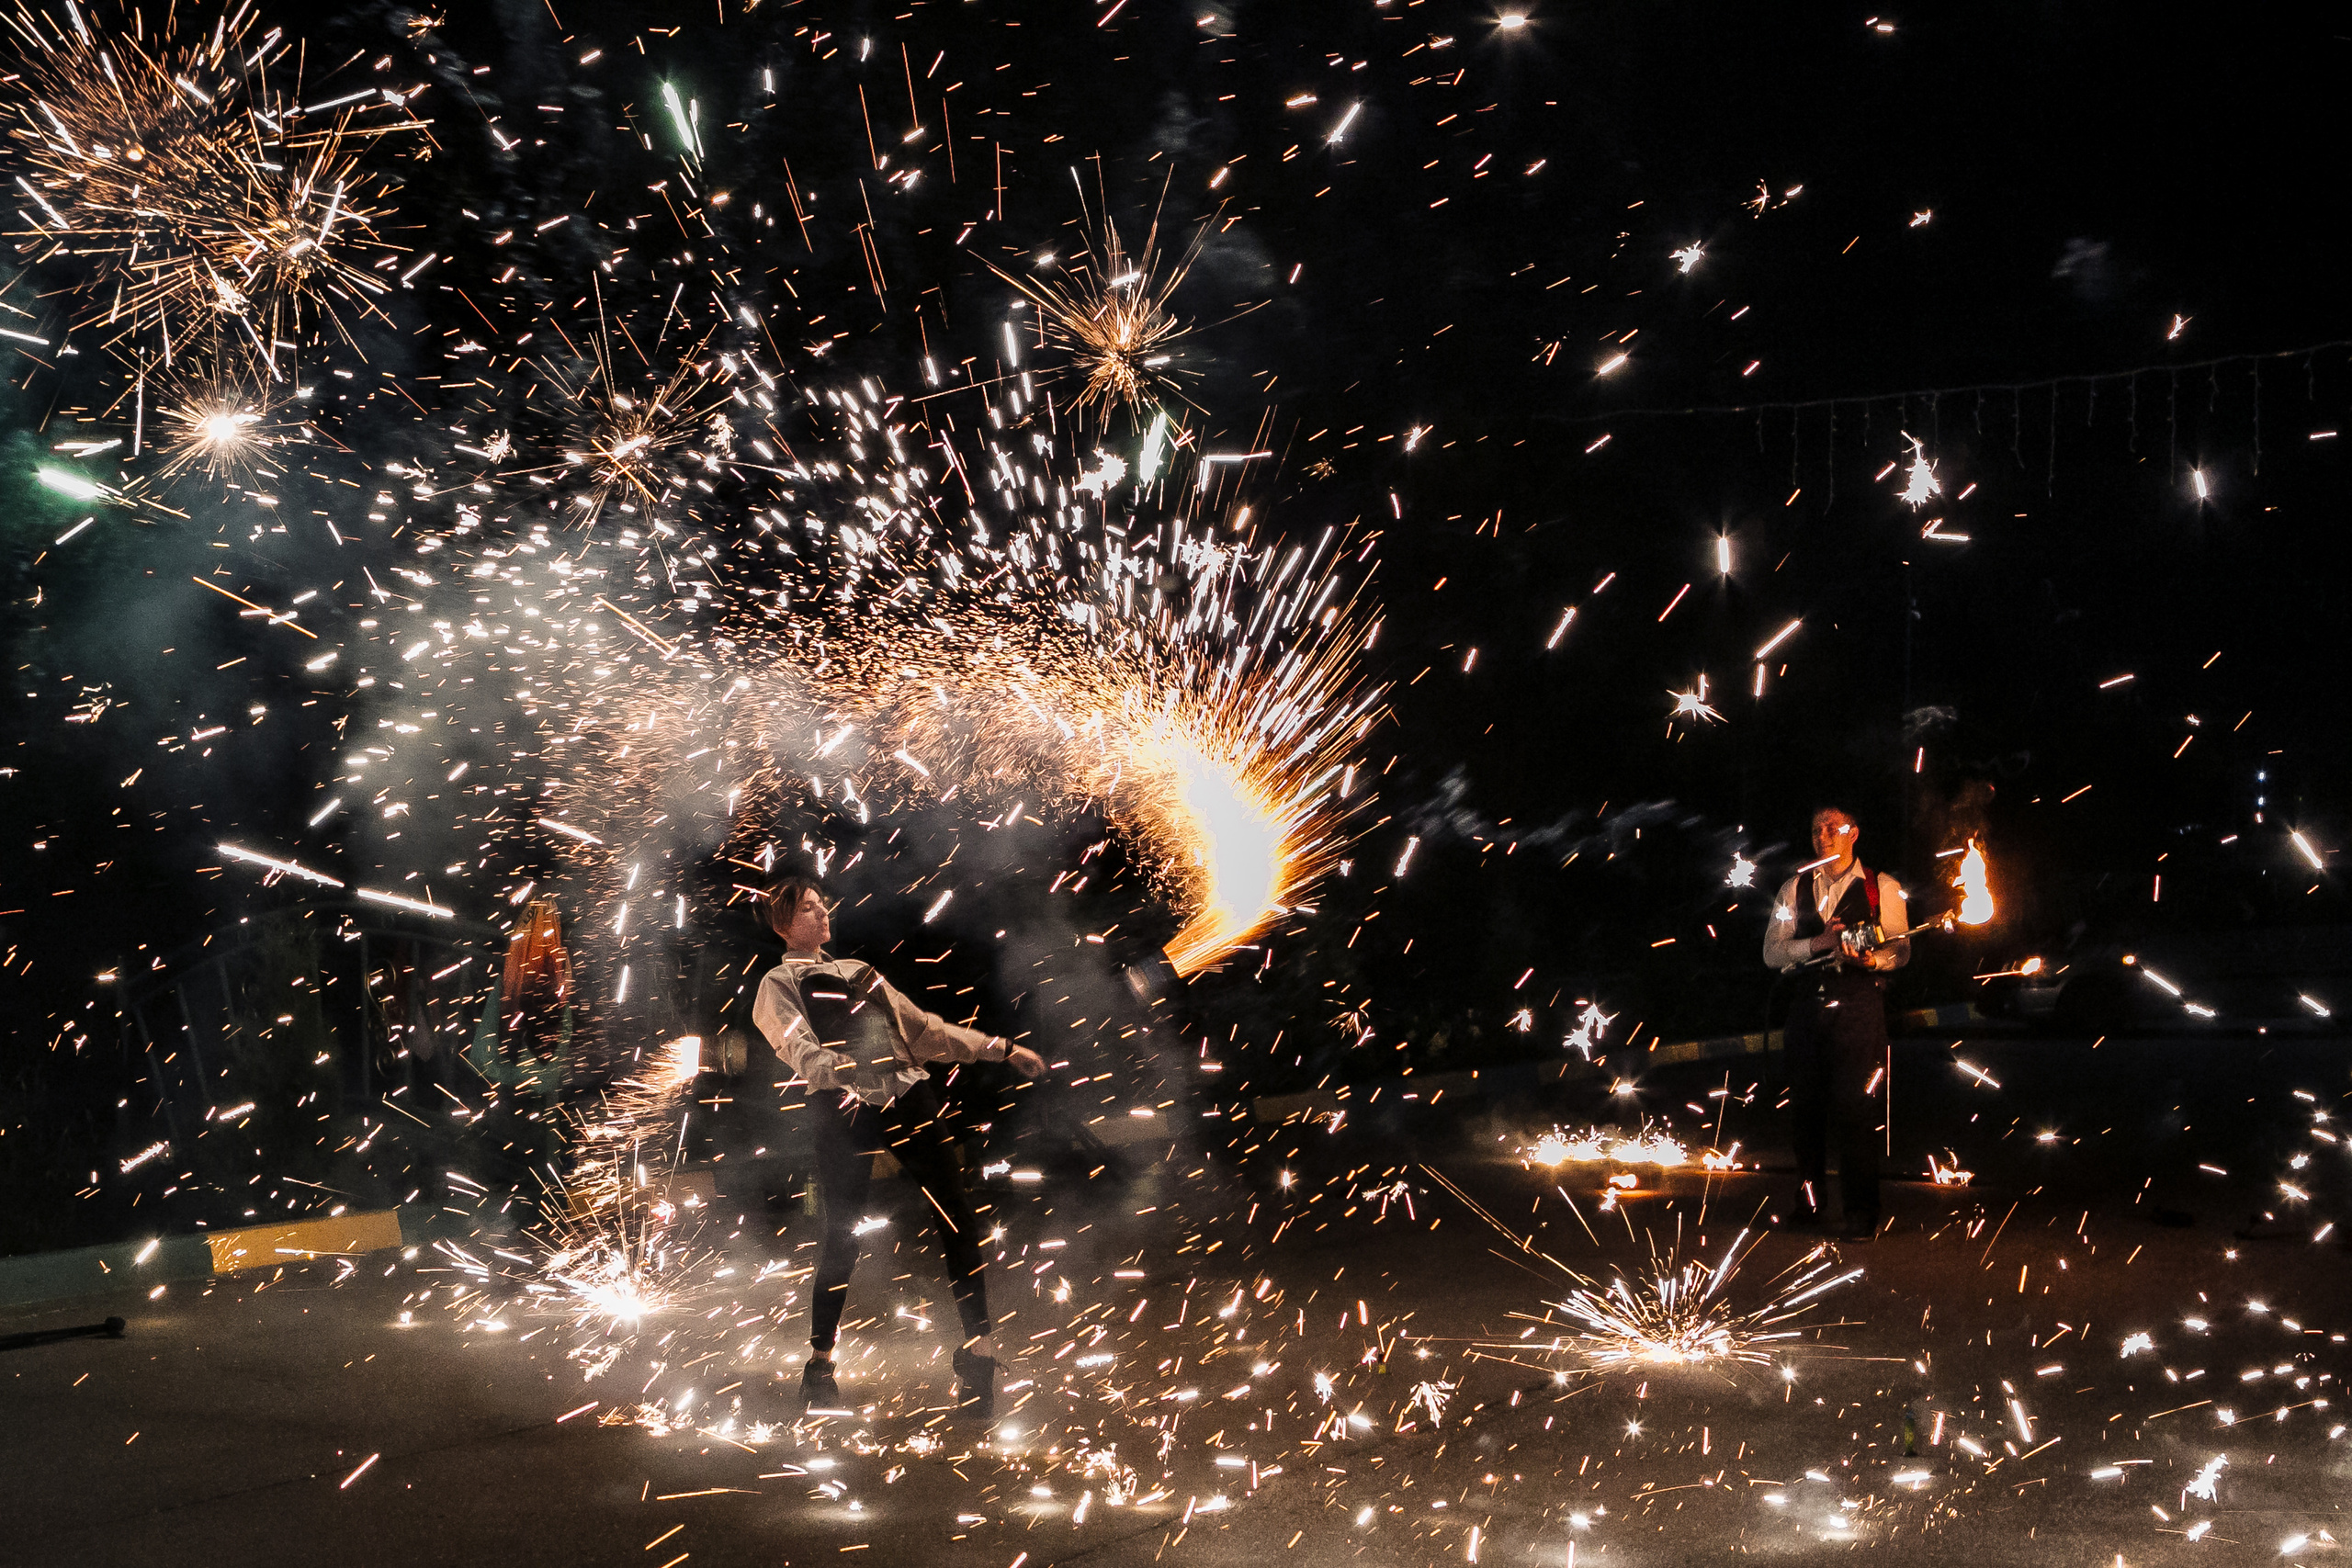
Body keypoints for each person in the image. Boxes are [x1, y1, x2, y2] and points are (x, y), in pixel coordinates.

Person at [750, 873, 1046, 1417]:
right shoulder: (778, 982)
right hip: (843, 1106)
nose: (823, 913)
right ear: (783, 924)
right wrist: (847, 1069)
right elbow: (799, 1049)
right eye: (809, 908)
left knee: (956, 1213)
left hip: (907, 1094)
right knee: (842, 1231)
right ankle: (820, 1364)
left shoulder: (859, 971)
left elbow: (924, 1031)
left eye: (822, 905)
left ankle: (979, 1353)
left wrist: (1000, 1048)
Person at [1762, 806, 1909, 1238]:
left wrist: (1873, 961)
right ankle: (1809, 1206)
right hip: (1807, 1007)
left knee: (1855, 1110)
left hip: (1859, 1007)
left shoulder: (1883, 887)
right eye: (1816, 830)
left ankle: (1861, 1213)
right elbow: (1772, 953)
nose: (1823, 836)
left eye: (1832, 828)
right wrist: (1818, 944)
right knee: (1804, 1111)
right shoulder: (1794, 888)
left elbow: (1901, 949)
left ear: (1853, 833)